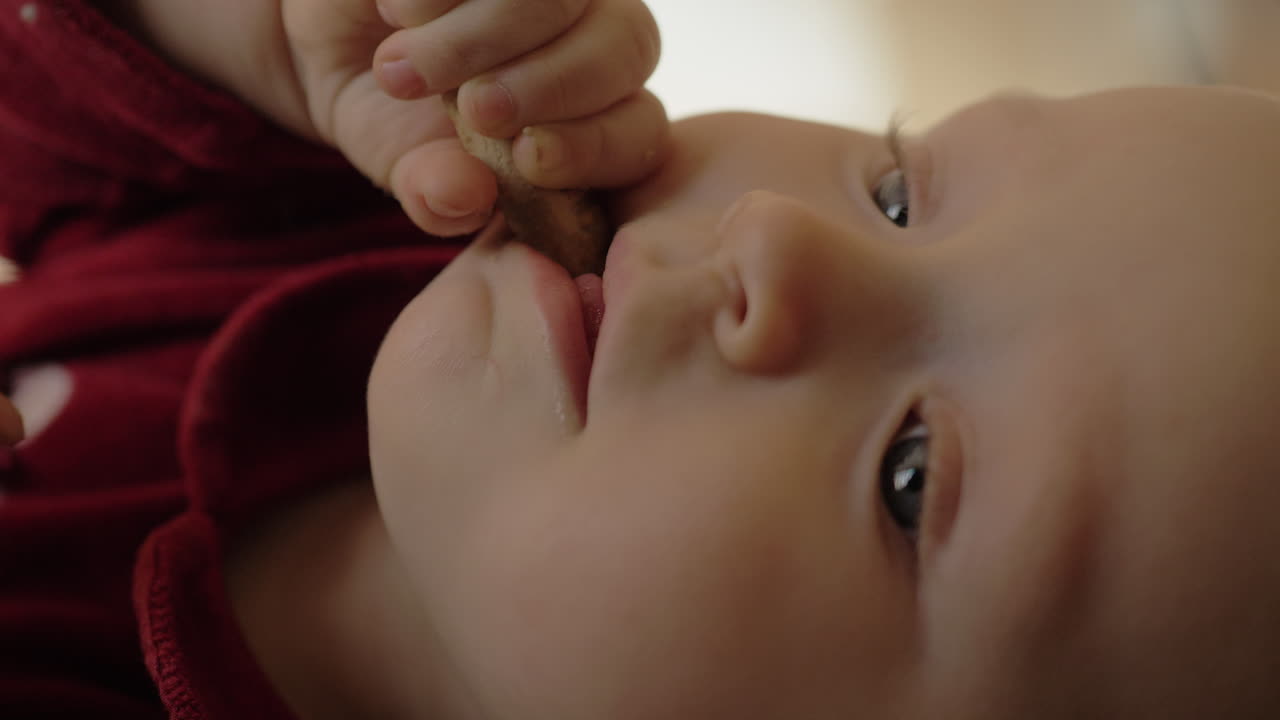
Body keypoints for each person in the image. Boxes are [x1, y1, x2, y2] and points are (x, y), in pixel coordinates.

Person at [4, 4, 1280, 720]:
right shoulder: (340, 217)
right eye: (898, 190)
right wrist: (252, 40)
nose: (778, 240)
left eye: (911, 475)